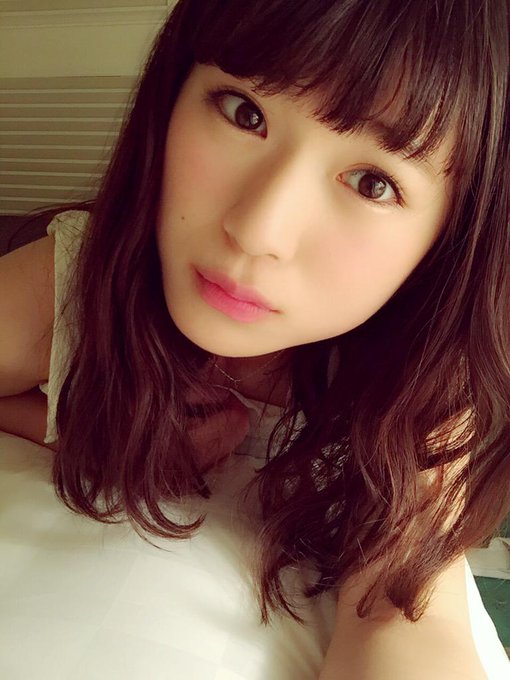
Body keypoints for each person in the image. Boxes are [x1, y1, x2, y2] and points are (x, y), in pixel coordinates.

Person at [0, 0, 509, 677]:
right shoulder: (78, 285)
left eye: (372, 183)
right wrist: (82, 428)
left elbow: (404, 614)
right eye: (245, 113)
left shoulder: (422, 390)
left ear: (450, 237)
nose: (257, 229)